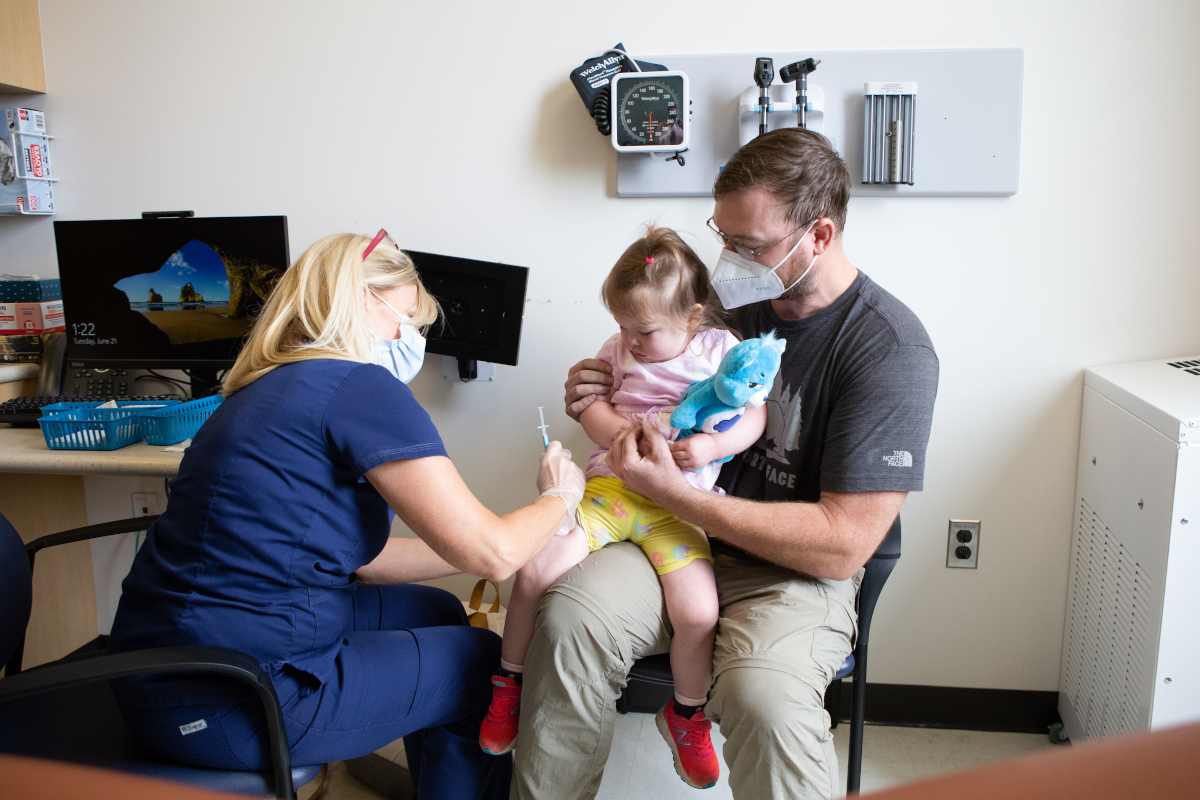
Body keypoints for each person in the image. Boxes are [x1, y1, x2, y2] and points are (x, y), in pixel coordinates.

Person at [512, 128, 939, 800]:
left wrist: (681, 497)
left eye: (752, 244)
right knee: (571, 621)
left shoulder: (886, 351)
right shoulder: (722, 305)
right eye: (724, 235)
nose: (731, 259)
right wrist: (595, 391)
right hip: (667, 536)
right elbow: (642, 365)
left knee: (764, 698)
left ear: (820, 236)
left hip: (788, 575)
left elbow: (842, 548)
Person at [105, 231, 587, 800]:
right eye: (404, 319)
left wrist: (496, 536)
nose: (408, 339)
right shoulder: (359, 386)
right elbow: (494, 555)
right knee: (485, 664)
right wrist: (558, 498)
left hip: (159, 672)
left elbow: (371, 558)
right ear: (360, 298)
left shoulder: (264, 386)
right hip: (231, 701)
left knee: (438, 609)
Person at [479, 228, 765, 790]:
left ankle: (687, 715)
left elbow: (753, 416)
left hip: (680, 510)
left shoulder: (719, 352)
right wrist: (627, 438)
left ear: (691, 317)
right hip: (610, 494)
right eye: (622, 326)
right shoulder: (616, 351)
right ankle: (508, 683)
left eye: (643, 330)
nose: (628, 341)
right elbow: (590, 410)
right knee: (533, 570)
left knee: (698, 614)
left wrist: (710, 447)